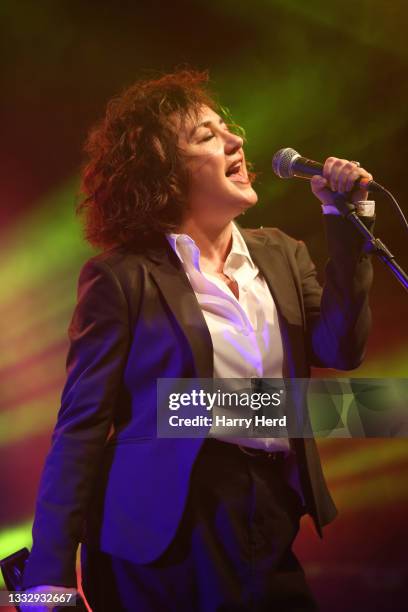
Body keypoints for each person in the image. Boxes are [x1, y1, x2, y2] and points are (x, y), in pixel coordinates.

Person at [21, 69, 374, 611]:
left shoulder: (280, 251)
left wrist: (344, 219)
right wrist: (46, 578)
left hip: (268, 507)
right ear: (163, 172)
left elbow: (340, 349)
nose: (237, 140)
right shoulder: (123, 277)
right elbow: (82, 426)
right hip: (165, 528)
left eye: (228, 129)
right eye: (207, 136)